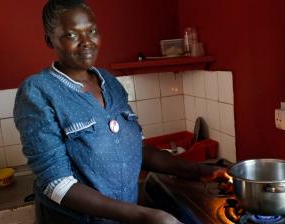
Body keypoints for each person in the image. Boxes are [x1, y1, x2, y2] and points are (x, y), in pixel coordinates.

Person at [14, 0, 227, 223]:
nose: (87, 42)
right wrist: (145, 214)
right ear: (50, 39)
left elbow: (140, 150)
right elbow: (55, 184)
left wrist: (200, 171)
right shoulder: (38, 91)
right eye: (72, 35)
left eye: (92, 31)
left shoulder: (109, 82)